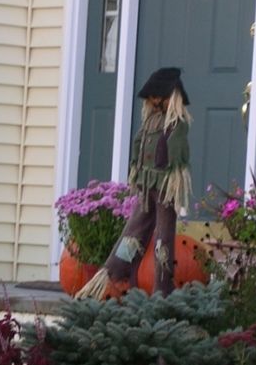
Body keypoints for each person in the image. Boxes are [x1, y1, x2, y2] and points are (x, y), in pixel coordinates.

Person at [76, 67, 192, 300]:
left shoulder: (176, 124)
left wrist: (175, 181)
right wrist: (135, 171)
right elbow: (139, 146)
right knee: (134, 230)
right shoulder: (150, 121)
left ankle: (161, 288)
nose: (152, 101)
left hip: (164, 187)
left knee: (163, 236)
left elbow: (178, 157)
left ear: (168, 96)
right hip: (146, 184)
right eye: (151, 97)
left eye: (156, 96)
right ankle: (113, 273)